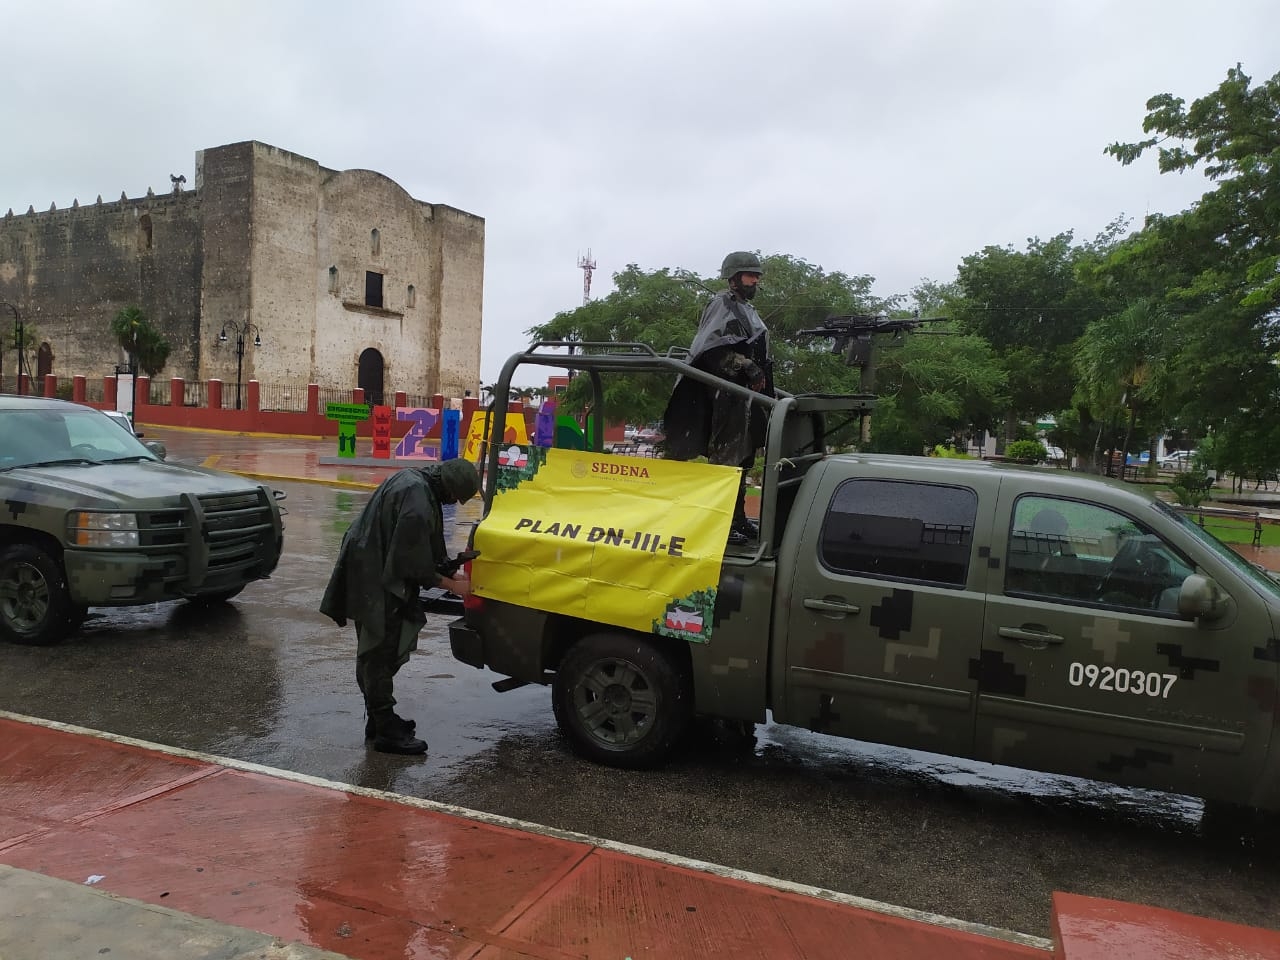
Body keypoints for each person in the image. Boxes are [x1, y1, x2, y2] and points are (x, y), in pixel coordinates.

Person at [319, 458, 480, 755]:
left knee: (376, 648)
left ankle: (380, 720)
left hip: (370, 567)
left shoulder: (415, 481)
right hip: (376, 577)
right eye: (456, 497)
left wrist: (448, 565)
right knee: (379, 650)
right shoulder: (418, 498)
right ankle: (386, 733)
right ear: (449, 486)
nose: (454, 502)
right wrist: (452, 584)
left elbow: (415, 544)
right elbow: (409, 562)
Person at [663, 251, 772, 545]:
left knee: (744, 460)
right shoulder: (722, 304)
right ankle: (718, 525)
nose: (756, 280)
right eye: (751, 275)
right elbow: (710, 351)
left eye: (757, 275)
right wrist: (745, 365)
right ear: (735, 277)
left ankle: (736, 519)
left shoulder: (746, 309)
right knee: (727, 460)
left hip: (746, 398)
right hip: (726, 395)